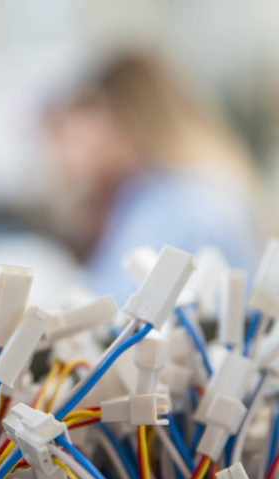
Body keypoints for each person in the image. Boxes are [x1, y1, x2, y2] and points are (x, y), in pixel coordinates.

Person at [44, 53, 263, 305]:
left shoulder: (178, 206)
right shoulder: (152, 193)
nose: (73, 148)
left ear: (123, 120)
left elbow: (121, 310)